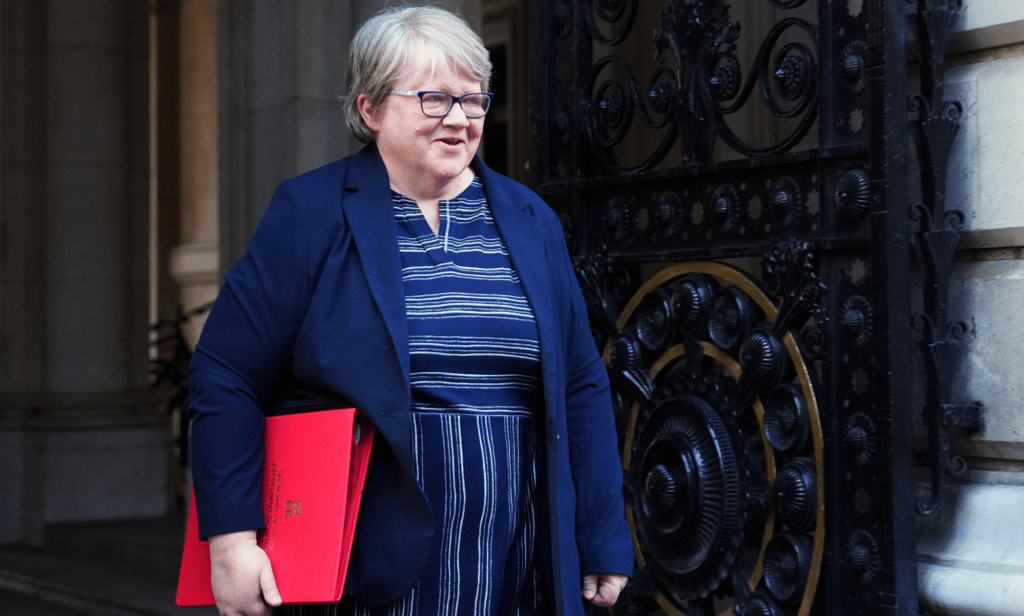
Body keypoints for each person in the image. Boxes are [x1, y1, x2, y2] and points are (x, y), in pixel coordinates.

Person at [188, 6, 632, 616]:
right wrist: (231, 542)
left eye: (473, 101)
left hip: (518, 554)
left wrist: (602, 536)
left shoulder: (531, 219)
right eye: (433, 100)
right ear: (370, 109)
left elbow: (580, 384)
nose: (458, 120)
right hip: (364, 561)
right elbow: (228, 374)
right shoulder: (310, 211)